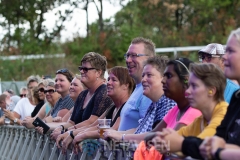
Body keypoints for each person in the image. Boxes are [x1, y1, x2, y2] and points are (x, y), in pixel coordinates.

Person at [152, 28, 240, 160]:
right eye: (202, 57)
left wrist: (218, 151)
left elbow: (210, 146)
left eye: (231, 51)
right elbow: (217, 140)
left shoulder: (224, 105)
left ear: (212, 90)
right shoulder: (237, 96)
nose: (225, 57)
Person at [147, 63, 228, 157]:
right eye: (189, 86)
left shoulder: (223, 114)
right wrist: (164, 137)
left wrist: (173, 143)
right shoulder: (201, 120)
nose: (187, 91)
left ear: (211, 90)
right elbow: (176, 139)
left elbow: (201, 146)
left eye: (194, 86)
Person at [57, 66, 135, 154]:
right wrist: (71, 133)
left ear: (126, 85)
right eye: (108, 79)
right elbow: (95, 126)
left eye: (114, 80)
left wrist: (81, 135)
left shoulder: (127, 107)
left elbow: (111, 131)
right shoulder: (113, 107)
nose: (108, 83)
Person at [103, 56, 177, 142]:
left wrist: (122, 137)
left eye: (149, 75)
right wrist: (118, 134)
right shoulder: (154, 104)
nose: (144, 79)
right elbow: (140, 130)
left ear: (164, 78)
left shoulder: (168, 102)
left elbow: (157, 136)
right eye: (143, 75)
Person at [50, 52, 113, 139]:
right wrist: (61, 128)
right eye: (81, 68)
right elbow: (72, 122)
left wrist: (66, 133)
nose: (81, 72)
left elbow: (92, 122)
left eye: (85, 69)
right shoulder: (83, 94)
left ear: (98, 72)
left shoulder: (104, 92)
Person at [117, 37, 154, 131]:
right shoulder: (138, 88)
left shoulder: (149, 91)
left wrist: (120, 137)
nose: (128, 60)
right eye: (127, 55)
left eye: (134, 55)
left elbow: (146, 129)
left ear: (150, 59)